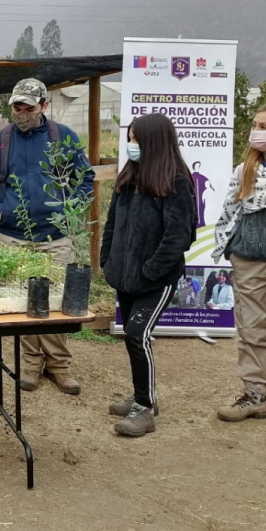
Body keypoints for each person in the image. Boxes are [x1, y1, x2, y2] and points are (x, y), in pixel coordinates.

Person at [0, 78, 94, 395]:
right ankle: (30, 363)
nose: (22, 113)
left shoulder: (63, 138)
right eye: (17, 107)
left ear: (44, 106)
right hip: (12, 236)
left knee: (55, 302)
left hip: (56, 236)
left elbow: (85, 178)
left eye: (29, 108)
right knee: (23, 302)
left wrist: (72, 210)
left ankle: (59, 366)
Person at [100, 113, 197, 437]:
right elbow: (112, 223)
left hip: (156, 280)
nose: (131, 145)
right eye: (130, 139)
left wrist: (151, 270)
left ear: (153, 142)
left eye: (136, 139)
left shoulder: (176, 182)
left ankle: (145, 408)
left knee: (137, 333)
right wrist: (107, 260)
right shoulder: (128, 178)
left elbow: (179, 236)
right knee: (132, 335)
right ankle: (144, 397)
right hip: (125, 278)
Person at [213, 103, 266, 431]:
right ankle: (254, 394)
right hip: (249, 260)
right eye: (255, 124)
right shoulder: (243, 169)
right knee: (251, 332)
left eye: (264, 125)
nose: (255, 131)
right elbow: (230, 211)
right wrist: (231, 250)